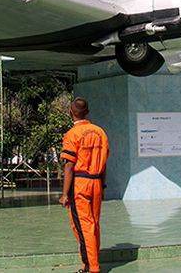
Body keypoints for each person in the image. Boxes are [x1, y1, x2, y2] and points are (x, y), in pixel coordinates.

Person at [59, 97, 109, 273]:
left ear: (71, 112)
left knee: (83, 225)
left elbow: (69, 165)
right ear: (87, 112)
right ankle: (93, 262)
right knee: (94, 224)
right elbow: (104, 164)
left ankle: (90, 267)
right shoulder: (100, 132)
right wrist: (102, 186)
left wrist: (65, 193)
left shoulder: (72, 134)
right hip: (96, 181)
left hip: (80, 183)